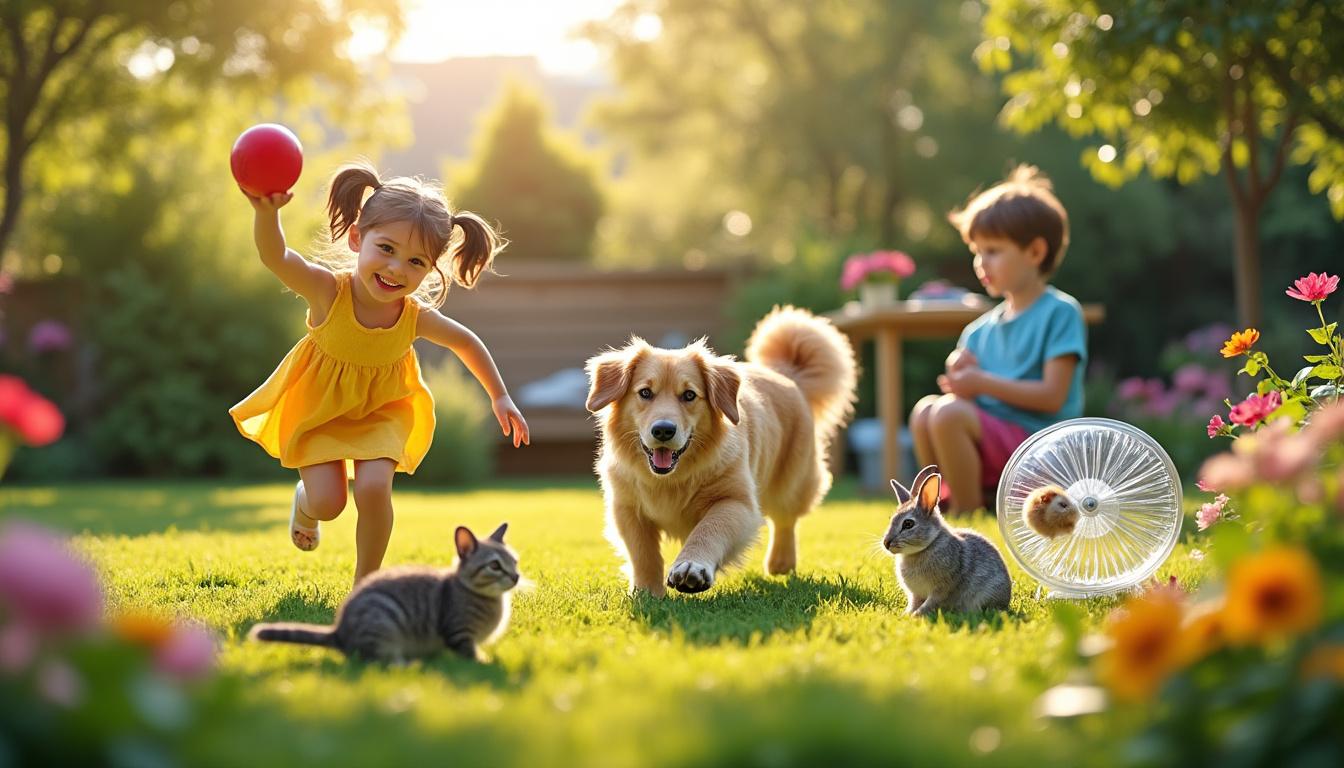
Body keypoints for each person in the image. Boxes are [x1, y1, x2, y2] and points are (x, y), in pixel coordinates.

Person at [231, 159, 529, 584]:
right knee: (329, 503)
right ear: (357, 238)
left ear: (431, 269)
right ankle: (305, 503)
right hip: (320, 410)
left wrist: (499, 396)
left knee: (373, 489)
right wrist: (267, 214)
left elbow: (466, 341)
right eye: (386, 249)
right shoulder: (326, 291)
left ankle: (365, 585)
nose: (396, 269)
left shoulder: (414, 317)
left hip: (383, 411)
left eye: (416, 262)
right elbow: (276, 256)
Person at [909, 165, 1087, 514]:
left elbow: (1053, 397)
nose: (980, 262)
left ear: (1035, 252)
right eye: (976, 251)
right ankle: (937, 506)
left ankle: (967, 511)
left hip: (1041, 447)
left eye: (992, 250)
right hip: (994, 444)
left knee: (946, 415)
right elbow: (963, 392)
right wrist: (959, 374)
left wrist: (981, 383)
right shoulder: (978, 331)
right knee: (924, 411)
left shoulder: (1060, 312)